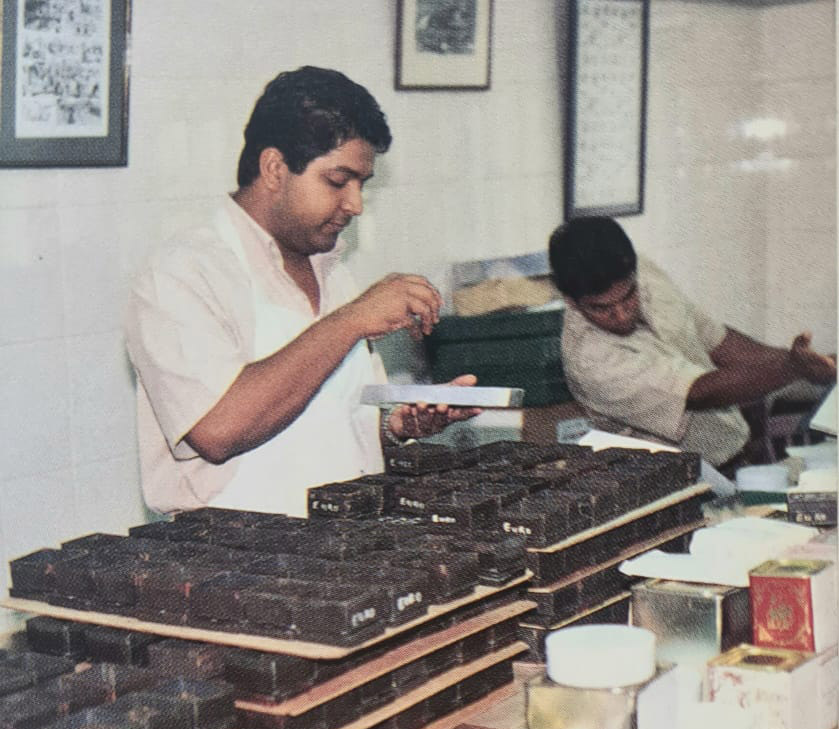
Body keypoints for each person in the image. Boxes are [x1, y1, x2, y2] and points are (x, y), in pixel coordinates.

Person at [124, 66, 478, 517]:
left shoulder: (332, 271)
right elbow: (218, 430)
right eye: (337, 181)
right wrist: (350, 321)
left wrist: (397, 425)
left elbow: (335, 420)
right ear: (274, 168)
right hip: (235, 566)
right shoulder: (181, 274)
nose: (355, 204)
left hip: (349, 550)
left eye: (362, 184)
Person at [548, 216, 836, 469]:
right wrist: (793, 369)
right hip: (678, 482)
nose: (621, 314)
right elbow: (698, 392)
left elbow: (717, 341)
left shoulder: (639, 271)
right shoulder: (592, 360)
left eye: (628, 296)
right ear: (571, 301)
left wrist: (811, 361)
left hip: (738, 449)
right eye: (602, 308)